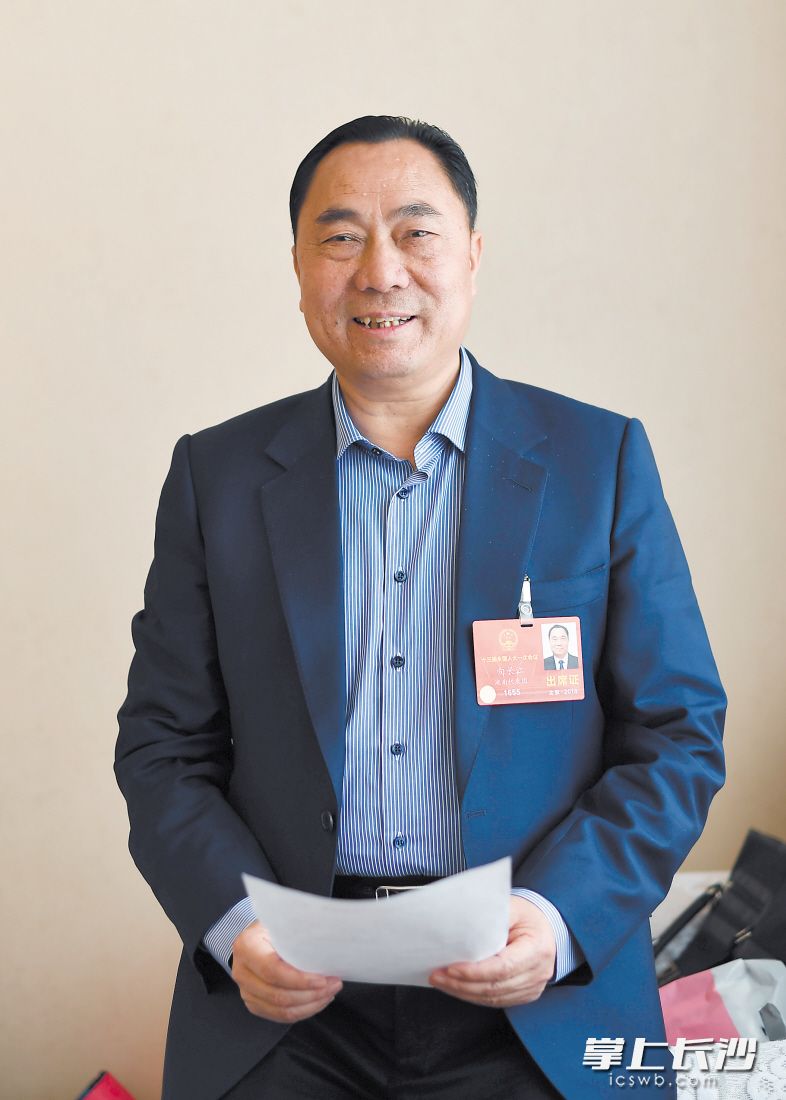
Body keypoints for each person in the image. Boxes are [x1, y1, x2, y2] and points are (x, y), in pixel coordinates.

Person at [115, 116, 726, 1099]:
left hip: (536, 995)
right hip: (294, 1001)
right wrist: (238, 927)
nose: (380, 271)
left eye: (416, 232)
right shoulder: (215, 477)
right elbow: (162, 746)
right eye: (341, 236)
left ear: (472, 255)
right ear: (299, 266)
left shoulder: (596, 461)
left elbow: (678, 731)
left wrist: (558, 918)